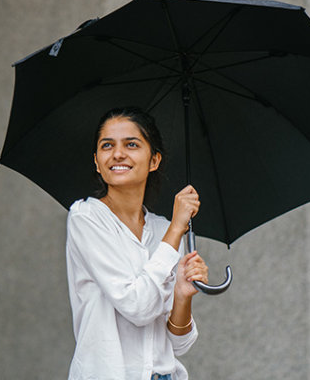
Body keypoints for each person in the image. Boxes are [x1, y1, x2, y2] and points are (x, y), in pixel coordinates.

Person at [65, 106, 209, 380]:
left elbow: (179, 342)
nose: (118, 154)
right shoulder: (86, 218)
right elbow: (137, 306)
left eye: (131, 144)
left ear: (154, 160)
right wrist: (178, 228)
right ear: (97, 161)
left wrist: (182, 295)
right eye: (107, 145)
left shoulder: (163, 229)